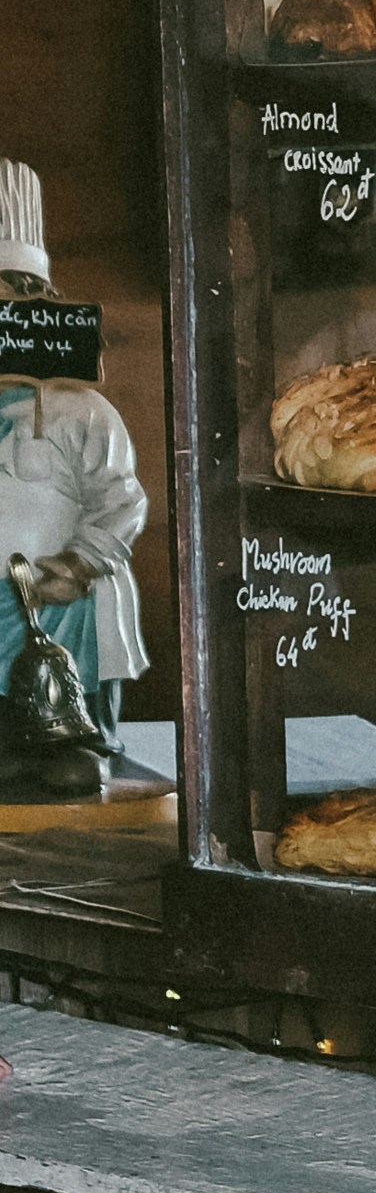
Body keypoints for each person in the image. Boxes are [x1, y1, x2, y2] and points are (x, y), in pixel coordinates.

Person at [0, 161, 148, 752]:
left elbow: (122, 499)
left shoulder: (81, 412)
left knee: (68, 743)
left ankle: (82, 745)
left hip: (64, 602)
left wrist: (80, 564)